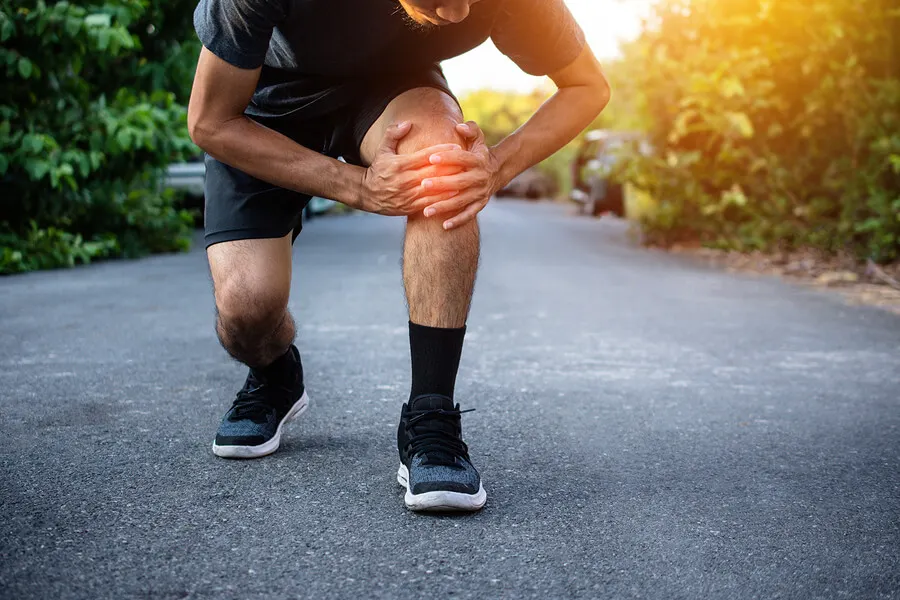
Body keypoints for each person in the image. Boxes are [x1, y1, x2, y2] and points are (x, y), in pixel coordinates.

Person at [188, 0, 610, 512]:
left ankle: (430, 418)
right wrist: (358, 187)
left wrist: (493, 167)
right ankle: (275, 375)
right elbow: (211, 121)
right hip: (264, 105)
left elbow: (588, 86)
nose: (457, 13)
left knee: (444, 166)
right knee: (247, 307)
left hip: (395, 91)